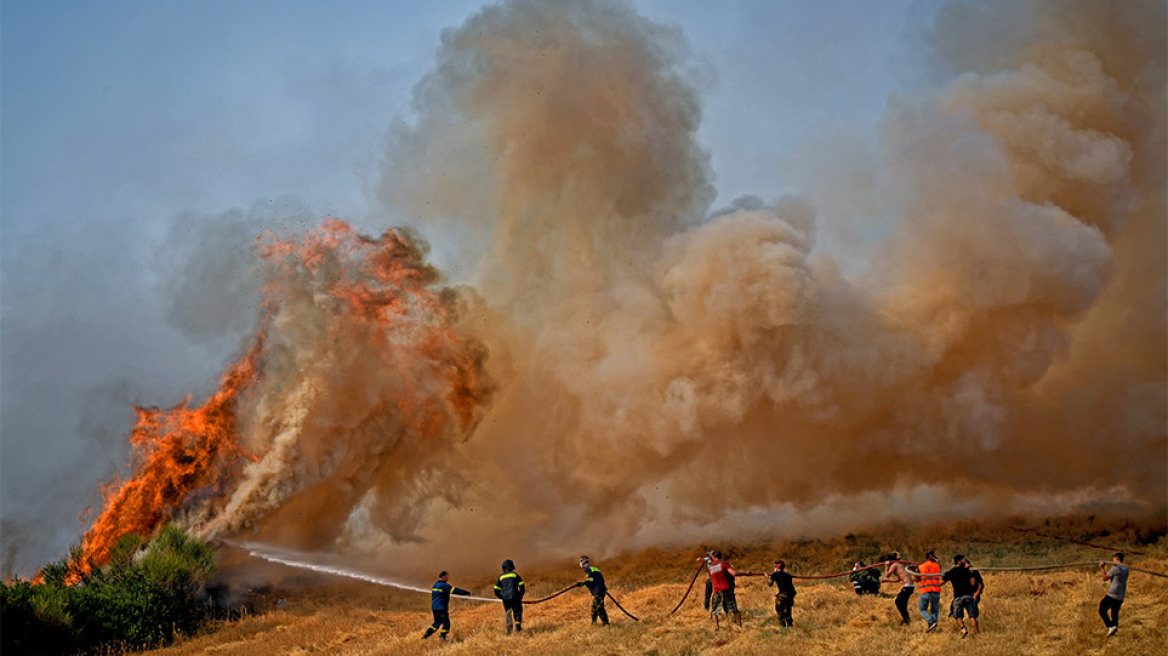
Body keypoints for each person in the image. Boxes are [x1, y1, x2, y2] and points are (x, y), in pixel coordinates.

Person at [700, 550, 744, 631]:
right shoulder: (724, 564)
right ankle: (739, 626)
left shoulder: (710, 568)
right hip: (726, 589)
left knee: (714, 611)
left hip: (716, 590)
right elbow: (733, 573)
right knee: (734, 609)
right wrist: (746, 573)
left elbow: (711, 579)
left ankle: (716, 627)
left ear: (713, 557)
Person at [422, 571, 471, 640]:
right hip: (441, 607)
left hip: (435, 607)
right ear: (443, 577)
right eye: (447, 577)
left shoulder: (435, 585)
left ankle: (426, 635)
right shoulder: (444, 585)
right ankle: (443, 637)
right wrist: (467, 593)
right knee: (446, 623)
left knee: (437, 622)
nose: (448, 579)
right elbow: (455, 590)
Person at [942, 554, 979, 637]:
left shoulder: (951, 572)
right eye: (963, 560)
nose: (964, 561)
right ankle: (977, 632)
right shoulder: (967, 570)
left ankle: (963, 628)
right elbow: (973, 583)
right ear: (959, 561)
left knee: (958, 616)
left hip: (958, 597)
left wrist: (943, 576)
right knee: (972, 616)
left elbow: (942, 582)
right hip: (969, 596)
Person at [1098, 552, 1129, 637]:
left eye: (1113, 559)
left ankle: (1110, 626)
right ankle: (1113, 631)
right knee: (1114, 613)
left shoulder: (1116, 569)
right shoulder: (1126, 569)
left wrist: (1102, 567)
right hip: (1121, 595)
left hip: (1113, 594)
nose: (1112, 560)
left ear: (1116, 559)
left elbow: (1104, 578)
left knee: (1102, 609)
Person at [880, 551, 914, 625]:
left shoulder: (895, 565)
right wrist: (886, 581)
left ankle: (906, 619)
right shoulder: (899, 565)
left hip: (907, 586)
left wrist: (886, 566)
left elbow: (887, 575)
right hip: (910, 586)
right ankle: (906, 619)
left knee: (898, 602)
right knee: (902, 603)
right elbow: (898, 580)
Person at [494, 559, 526, 634]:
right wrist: (520, 595)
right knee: (517, 612)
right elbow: (522, 586)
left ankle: (509, 630)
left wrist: (502, 597)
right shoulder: (515, 575)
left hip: (506, 599)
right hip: (515, 597)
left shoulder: (501, 577)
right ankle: (518, 628)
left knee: (508, 612)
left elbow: (496, 589)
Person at [913, 551, 943, 633]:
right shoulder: (937, 566)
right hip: (936, 591)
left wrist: (915, 571)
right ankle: (933, 627)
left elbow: (917, 580)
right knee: (935, 610)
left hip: (925, 591)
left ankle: (931, 622)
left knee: (922, 609)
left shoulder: (921, 566)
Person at [576, 556, 609, 626]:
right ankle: (593, 623)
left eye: (580, 561)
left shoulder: (587, 568)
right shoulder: (593, 568)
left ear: (583, 562)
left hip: (599, 591)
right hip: (600, 590)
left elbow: (591, 579)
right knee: (594, 607)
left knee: (599, 608)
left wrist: (583, 583)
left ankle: (606, 624)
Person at [767, 560, 797, 628]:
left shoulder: (775, 574)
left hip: (784, 594)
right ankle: (790, 625)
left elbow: (770, 584)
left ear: (777, 567)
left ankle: (783, 625)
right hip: (791, 594)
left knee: (780, 609)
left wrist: (768, 577)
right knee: (788, 609)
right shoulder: (788, 575)